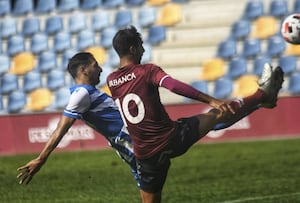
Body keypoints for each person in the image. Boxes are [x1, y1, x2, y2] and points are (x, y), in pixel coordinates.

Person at [107, 25, 284, 203]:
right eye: (141, 45)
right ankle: (263, 95)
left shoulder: (112, 80)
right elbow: (174, 85)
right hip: (171, 139)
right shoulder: (147, 71)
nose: (144, 50)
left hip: (146, 155)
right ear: (133, 48)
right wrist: (210, 100)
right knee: (217, 114)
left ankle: (262, 97)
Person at [16, 52, 139, 187]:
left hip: (130, 139)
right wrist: (41, 159)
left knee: (149, 182)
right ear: (83, 70)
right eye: (95, 66)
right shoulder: (81, 94)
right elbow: (60, 129)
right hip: (130, 141)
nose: (101, 69)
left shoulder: (88, 91)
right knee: (151, 179)